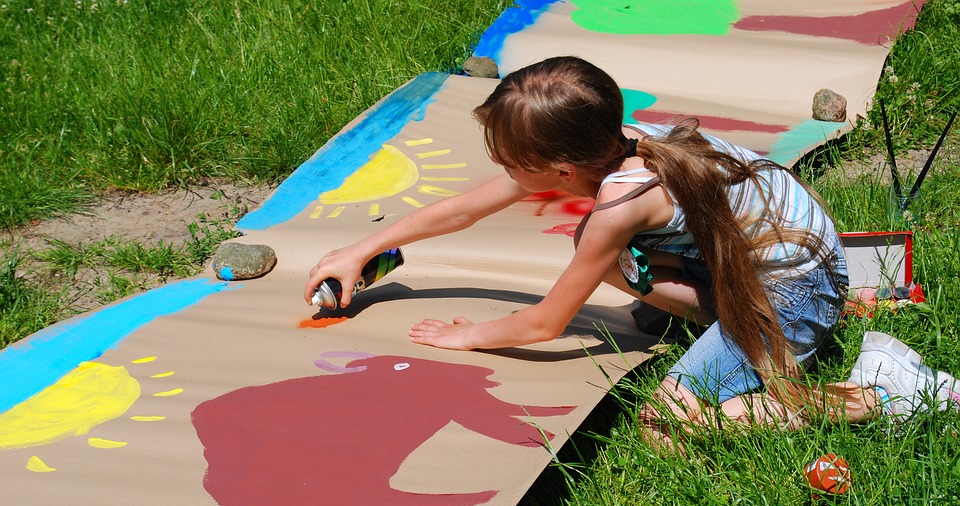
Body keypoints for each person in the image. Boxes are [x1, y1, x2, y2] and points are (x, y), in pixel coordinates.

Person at [304, 56, 960, 452]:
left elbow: (544, 324)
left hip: (792, 285)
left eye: (507, 160)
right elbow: (469, 206)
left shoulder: (619, 207)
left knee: (668, 426)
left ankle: (884, 392)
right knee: (628, 273)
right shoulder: (617, 141)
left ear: (559, 169)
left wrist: (467, 334)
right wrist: (364, 247)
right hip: (776, 255)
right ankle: (809, 316)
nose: (500, 172)